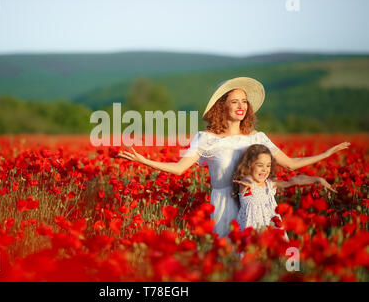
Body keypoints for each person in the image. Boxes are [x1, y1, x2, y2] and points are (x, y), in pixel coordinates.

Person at [117, 77, 350, 238]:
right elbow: (179, 169)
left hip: (256, 204)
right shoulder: (205, 138)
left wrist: (327, 153)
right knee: (227, 260)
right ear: (222, 106)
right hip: (223, 205)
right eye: (234, 101)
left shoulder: (257, 137)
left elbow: (290, 164)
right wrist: (143, 160)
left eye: (244, 101)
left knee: (257, 258)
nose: (241, 106)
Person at [232, 144, 337, 238]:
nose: (265, 169)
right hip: (253, 231)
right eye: (260, 165)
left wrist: (318, 179)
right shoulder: (245, 184)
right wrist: (249, 182)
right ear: (249, 165)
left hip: (272, 228)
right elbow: (247, 179)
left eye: (268, 165)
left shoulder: (270, 184)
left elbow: (295, 180)